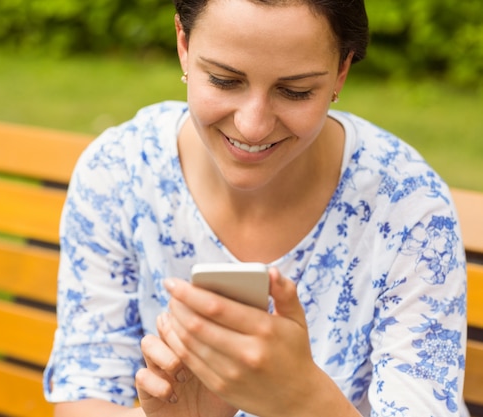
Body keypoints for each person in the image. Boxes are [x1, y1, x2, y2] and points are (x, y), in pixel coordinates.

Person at [43, 0, 469, 415]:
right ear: (184, 45)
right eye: (225, 80)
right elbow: (85, 395)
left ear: (341, 71)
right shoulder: (120, 171)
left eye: (295, 91)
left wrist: (302, 400)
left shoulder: (406, 207)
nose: (253, 124)